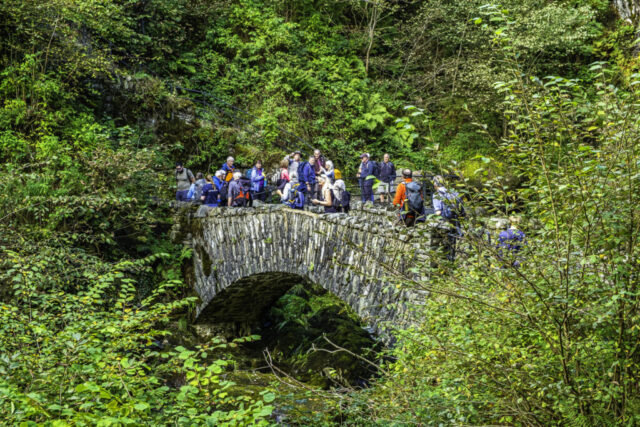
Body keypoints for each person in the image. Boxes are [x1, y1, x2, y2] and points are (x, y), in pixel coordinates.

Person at [432, 175, 464, 261]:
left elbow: (438, 212)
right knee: (454, 241)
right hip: (456, 220)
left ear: (435, 184)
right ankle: (455, 259)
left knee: (446, 244)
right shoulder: (452, 192)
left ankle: (448, 261)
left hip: (446, 221)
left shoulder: (436, 194)